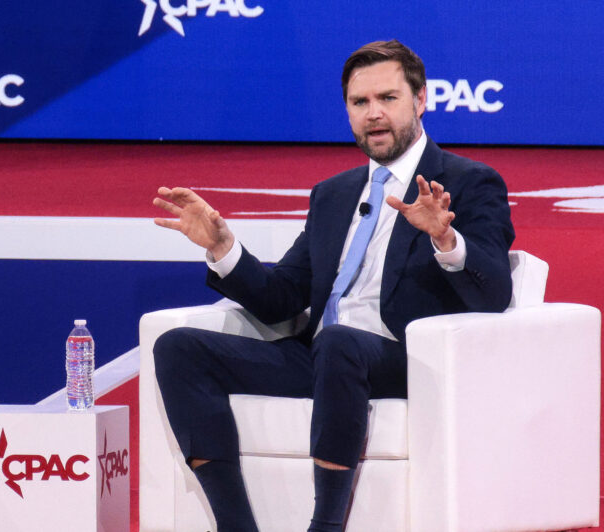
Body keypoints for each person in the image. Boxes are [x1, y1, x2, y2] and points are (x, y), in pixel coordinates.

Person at [151, 40, 514, 531]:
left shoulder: (470, 182)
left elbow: (494, 294)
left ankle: (325, 526)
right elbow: (283, 298)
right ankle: (234, 524)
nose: (374, 114)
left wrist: (445, 238)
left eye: (388, 98)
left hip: (403, 359)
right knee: (179, 348)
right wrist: (223, 247)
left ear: (421, 99)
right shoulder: (333, 194)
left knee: (339, 343)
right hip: (323, 358)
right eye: (360, 103)